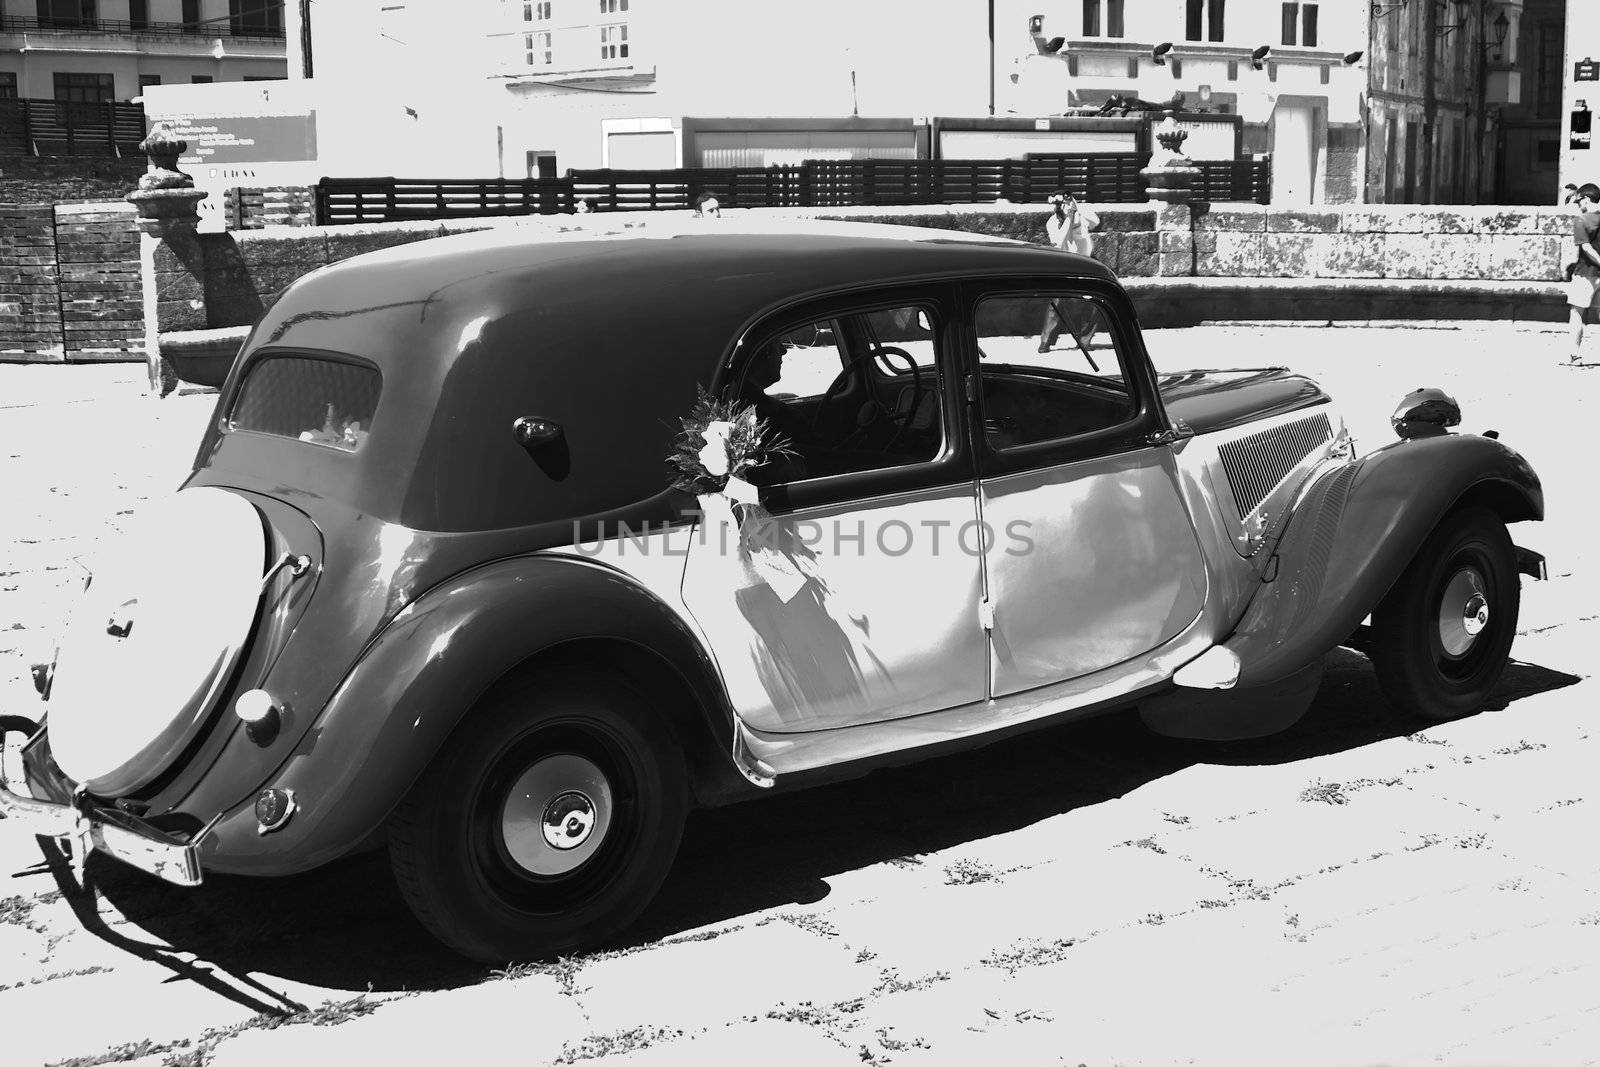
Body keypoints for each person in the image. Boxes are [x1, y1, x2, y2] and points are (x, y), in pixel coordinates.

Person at [1038, 190, 1101, 352]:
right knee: (1058, 302)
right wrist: (1069, 219)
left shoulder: (1080, 214)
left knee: (1095, 300)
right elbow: (1059, 242)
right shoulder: (1052, 223)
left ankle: (1085, 340)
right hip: (1065, 263)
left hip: (1087, 262)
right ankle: (1046, 341)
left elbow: (1096, 222)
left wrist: (1076, 208)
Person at [1566, 183, 1600, 363]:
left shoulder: (1581, 220)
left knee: (1577, 313)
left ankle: (1575, 355)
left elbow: (1586, 248)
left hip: (1585, 273)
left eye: (1579, 201)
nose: (1578, 205)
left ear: (1586, 199)